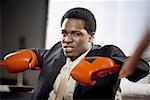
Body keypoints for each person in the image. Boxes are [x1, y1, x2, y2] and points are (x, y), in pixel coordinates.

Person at [0, 7, 149, 100]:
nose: (67, 40)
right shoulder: (56, 51)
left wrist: (115, 66)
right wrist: (28, 55)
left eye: (76, 34)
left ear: (91, 36)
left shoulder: (106, 53)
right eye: (64, 33)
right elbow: (37, 54)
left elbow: (142, 68)